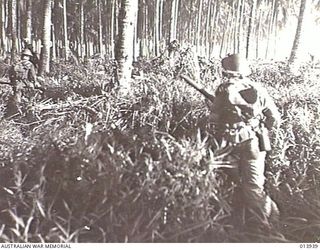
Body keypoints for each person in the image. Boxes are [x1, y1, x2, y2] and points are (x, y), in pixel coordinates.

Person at [211, 54, 281, 229]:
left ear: (227, 72)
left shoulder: (223, 90)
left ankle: (265, 227)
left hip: (230, 144)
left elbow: (213, 119)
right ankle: (268, 220)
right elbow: (274, 118)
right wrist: (259, 127)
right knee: (252, 185)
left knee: (235, 184)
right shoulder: (259, 89)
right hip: (253, 143)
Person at [8, 48, 37, 113]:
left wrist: (12, 82)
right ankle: (29, 109)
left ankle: (17, 110)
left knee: (17, 96)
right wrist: (34, 83)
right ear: (28, 57)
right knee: (31, 96)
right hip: (26, 83)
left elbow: (10, 74)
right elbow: (32, 76)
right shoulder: (30, 64)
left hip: (17, 83)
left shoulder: (16, 64)